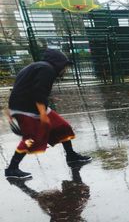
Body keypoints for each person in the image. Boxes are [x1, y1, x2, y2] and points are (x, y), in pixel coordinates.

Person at [4, 49, 92, 179]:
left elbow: (25, 87)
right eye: (65, 67)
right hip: (26, 108)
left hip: (30, 105)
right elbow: (38, 92)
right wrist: (42, 114)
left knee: (63, 127)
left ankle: (71, 155)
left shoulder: (39, 66)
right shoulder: (47, 70)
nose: (65, 70)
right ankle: (12, 168)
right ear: (59, 64)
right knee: (31, 138)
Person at [7, 165, 90, 220]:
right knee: (39, 197)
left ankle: (20, 185)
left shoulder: (72, 205)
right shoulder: (76, 203)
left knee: (40, 197)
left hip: (63, 202)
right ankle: (20, 184)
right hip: (66, 201)